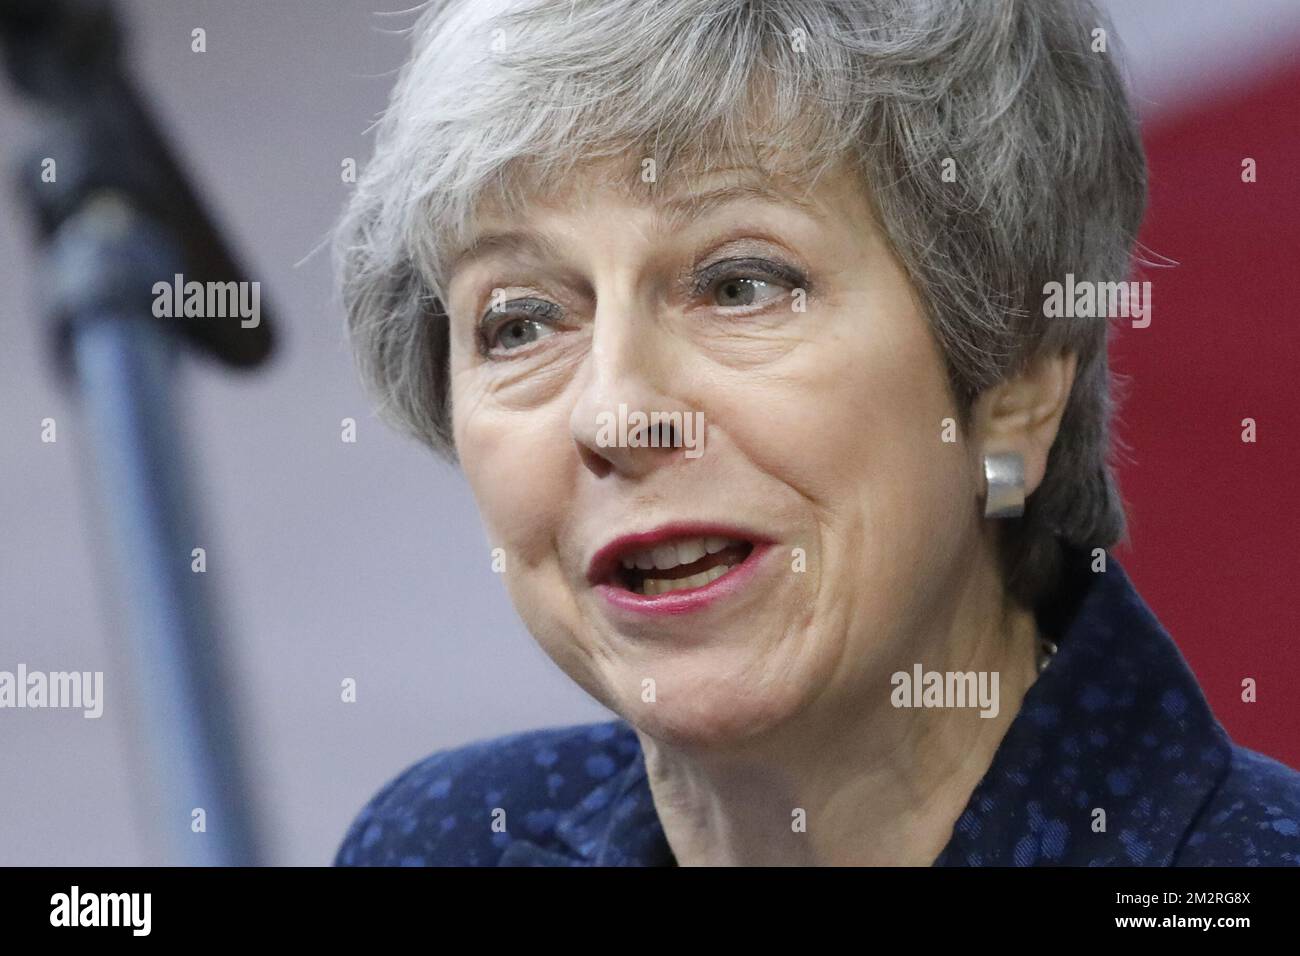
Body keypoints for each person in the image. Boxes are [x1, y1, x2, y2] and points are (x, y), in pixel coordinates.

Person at [331, 0, 1300, 866]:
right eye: (520, 322)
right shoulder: (438, 839)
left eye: (739, 285)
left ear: (1012, 379)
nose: (614, 416)